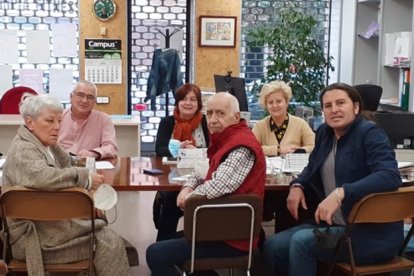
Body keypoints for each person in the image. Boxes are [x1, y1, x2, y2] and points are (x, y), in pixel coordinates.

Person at [263, 83, 403, 276]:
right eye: (328, 106)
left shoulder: (370, 133)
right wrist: (297, 185)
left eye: (340, 103)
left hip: (367, 233)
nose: (334, 109)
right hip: (331, 225)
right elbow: (311, 166)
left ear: (355, 107)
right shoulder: (324, 133)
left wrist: (341, 193)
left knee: (301, 242)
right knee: (272, 245)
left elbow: (389, 175)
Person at [2, 94, 129, 276]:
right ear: (30, 123)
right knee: (108, 242)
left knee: (106, 233)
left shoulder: (45, 143)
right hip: (37, 238)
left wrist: (86, 174)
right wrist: (85, 178)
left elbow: (69, 162)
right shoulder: (23, 150)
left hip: (50, 227)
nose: (57, 127)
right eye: (50, 121)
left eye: (59, 121)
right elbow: (46, 177)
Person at [146, 92, 266, 276]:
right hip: (217, 227)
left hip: (232, 237)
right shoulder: (224, 139)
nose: (213, 119)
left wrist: (190, 198)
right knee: (163, 241)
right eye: (209, 113)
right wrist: (187, 187)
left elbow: (220, 184)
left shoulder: (242, 145)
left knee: (155, 254)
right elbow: (202, 170)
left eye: (220, 113)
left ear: (236, 117)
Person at [153, 83, 210, 241]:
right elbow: (159, 149)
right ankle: (164, 244)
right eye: (184, 99)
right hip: (174, 176)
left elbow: (213, 149)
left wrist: (197, 149)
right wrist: (180, 149)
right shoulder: (168, 122)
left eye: (193, 99)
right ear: (177, 102)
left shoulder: (206, 121)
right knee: (172, 198)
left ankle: (201, 241)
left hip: (202, 175)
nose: (188, 103)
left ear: (198, 103)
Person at [252, 80, 315, 156]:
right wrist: (278, 149)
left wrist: (298, 151)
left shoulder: (300, 124)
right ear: (266, 105)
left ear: (287, 102)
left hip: (294, 167)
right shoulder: (260, 126)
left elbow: (314, 146)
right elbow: (252, 148)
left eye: (279, 101)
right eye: (270, 102)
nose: (275, 106)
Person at [58, 80, 118, 160]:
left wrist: (93, 153)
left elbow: (111, 148)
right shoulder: (58, 117)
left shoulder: (103, 120)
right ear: (71, 96)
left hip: (88, 167)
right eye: (80, 95)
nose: (84, 101)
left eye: (90, 97)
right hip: (60, 165)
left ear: (95, 101)